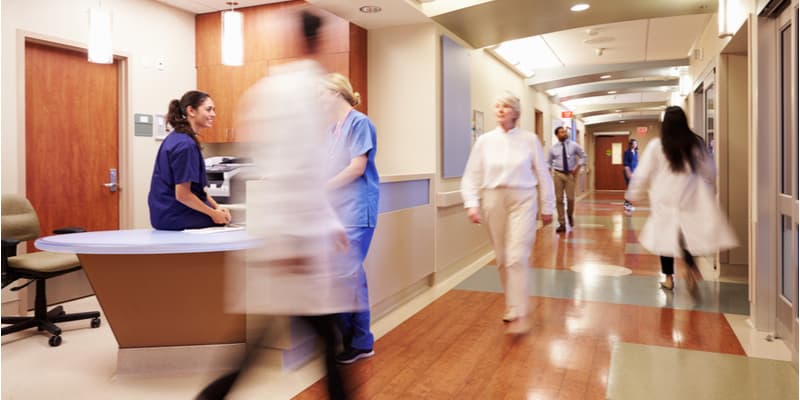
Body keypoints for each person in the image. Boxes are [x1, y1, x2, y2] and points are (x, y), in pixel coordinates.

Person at [198, 10, 356, 400]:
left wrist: (327, 225)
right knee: (321, 340)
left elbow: (292, 170)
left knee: (297, 338)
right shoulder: (301, 94)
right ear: (317, 42)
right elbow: (294, 170)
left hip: (285, 236)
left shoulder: (267, 89)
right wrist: (296, 243)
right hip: (292, 242)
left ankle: (211, 396)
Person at [461, 93, 555, 334]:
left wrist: (547, 206)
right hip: (493, 199)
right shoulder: (484, 141)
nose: (501, 110)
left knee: (517, 256)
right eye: (498, 106)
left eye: (507, 107)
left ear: (516, 112)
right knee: (503, 258)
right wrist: (471, 203)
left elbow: (543, 174)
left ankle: (520, 309)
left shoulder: (529, 139)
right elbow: (472, 174)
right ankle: (512, 304)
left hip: (523, 198)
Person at [625, 106, 737, 290]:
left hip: (665, 197)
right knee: (686, 235)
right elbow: (710, 170)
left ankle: (669, 278)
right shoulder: (696, 144)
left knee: (665, 239)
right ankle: (690, 267)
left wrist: (633, 194)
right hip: (690, 194)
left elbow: (642, 174)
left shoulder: (657, 146)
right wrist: (709, 191)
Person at [322, 72, 380, 364]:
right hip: (337, 212)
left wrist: (323, 187)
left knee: (347, 276)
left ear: (335, 94)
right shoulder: (331, 130)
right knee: (345, 276)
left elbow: (357, 167)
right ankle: (353, 339)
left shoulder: (360, 123)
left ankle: (359, 342)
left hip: (357, 210)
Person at [148, 90, 231, 230]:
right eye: (208, 109)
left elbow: (197, 191)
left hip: (165, 213)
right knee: (223, 223)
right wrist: (214, 214)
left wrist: (217, 207)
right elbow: (183, 195)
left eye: (214, 110)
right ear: (191, 111)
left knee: (222, 217)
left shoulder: (178, 138)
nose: (213, 114)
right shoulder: (185, 145)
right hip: (175, 215)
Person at [547, 126, 587, 233]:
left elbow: (583, 156)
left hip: (570, 174)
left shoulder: (574, 145)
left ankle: (569, 215)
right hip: (558, 174)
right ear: (557, 135)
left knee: (570, 198)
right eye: (561, 132)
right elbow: (549, 163)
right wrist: (548, 174)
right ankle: (562, 223)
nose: (564, 133)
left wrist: (577, 167)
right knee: (559, 199)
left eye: (564, 132)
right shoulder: (553, 148)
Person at [623, 138, 639, 213]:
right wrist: (628, 173)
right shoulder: (627, 152)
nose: (635, 145)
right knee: (630, 188)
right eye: (634, 143)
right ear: (631, 144)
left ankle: (627, 203)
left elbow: (636, 163)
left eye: (636, 143)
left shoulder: (636, 152)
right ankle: (628, 204)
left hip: (634, 172)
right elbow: (625, 163)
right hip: (628, 172)